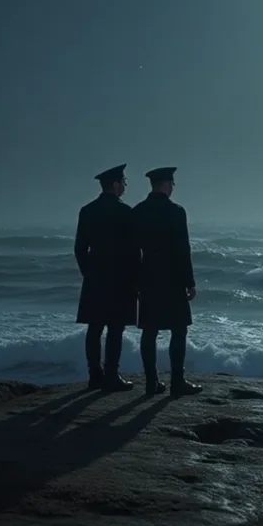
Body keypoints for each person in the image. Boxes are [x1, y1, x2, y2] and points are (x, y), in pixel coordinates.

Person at [132, 166, 202, 396]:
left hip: (148, 277)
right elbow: (183, 250)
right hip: (172, 278)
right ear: (166, 184)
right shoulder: (176, 211)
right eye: (172, 184)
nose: (173, 188)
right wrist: (189, 282)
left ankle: (151, 382)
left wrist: (135, 280)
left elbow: (132, 251)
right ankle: (177, 382)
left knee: (149, 331)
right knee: (179, 330)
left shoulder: (138, 211)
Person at [74, 164, 139, 390]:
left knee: (94, 327)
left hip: (95, 277)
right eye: (124, 182)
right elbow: (134, 251)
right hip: (120, 278)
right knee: (115, 328)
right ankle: (111, 375)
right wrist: (136, 279)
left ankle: (94, 375)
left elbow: (80, 248)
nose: (125, 186)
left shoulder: (87, 210)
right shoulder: (125, 212)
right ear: (115, 184)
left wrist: (88, 272)